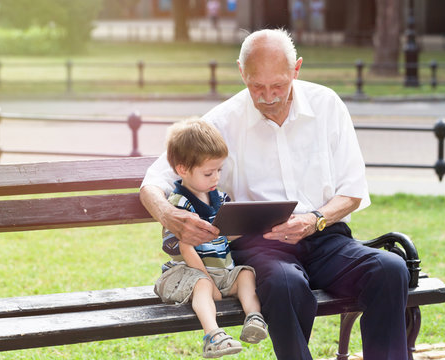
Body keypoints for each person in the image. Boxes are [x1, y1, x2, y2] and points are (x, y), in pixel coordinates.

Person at [140, 29, 410, 360]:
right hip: (262, 248)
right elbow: (155, 178)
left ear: (296, 69)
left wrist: (314, 220)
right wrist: (169, 215)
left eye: (278, 86)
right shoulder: (223, 121)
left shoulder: (327, 106)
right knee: (285, 284)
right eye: (257, 87)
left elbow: (352, 192)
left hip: (326, 236)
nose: (268, 96)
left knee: (390, 270)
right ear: (241, 72)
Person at [152, 119, 268, 358]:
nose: (216, 177)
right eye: (209, 172)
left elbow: (225, 232)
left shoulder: (219, 197)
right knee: (202, 285)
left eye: (219, 170)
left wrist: (254, 224)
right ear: (183, 169)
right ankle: (213, 335)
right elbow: (184, 247)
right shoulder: (179, 205)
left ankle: (254, 318)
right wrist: (208, 280)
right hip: (186, 275)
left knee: (246, 273)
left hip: (221, 274)